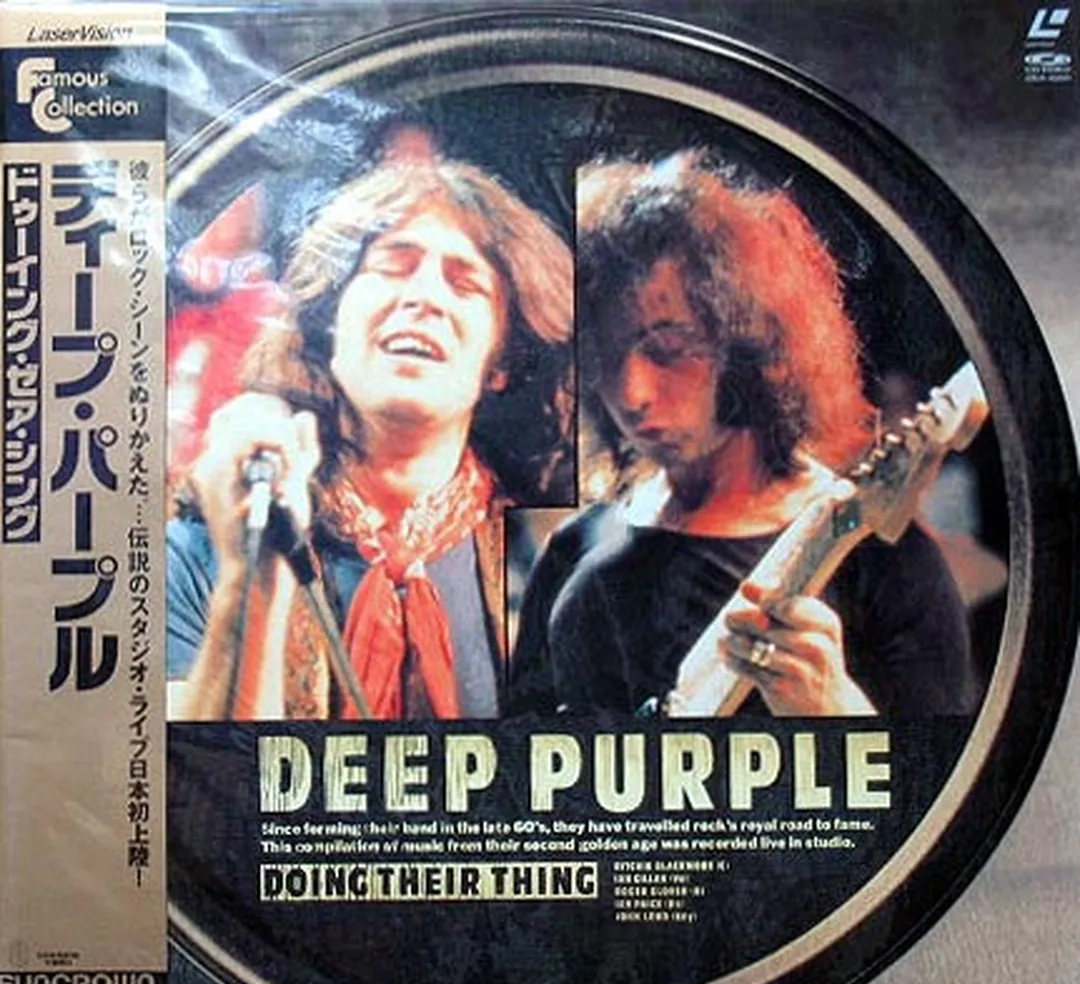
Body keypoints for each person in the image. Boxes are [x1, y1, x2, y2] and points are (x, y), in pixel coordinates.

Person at [510, 152, 974, 718]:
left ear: (748, 344)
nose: (632, 393)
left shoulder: (884, 562)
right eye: (605, 357)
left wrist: (835, 708)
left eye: (668, 348)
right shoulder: (576, 546)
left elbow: (953, 767)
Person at [167, 154, 573, 720]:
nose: (424, 297)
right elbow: (195, 773)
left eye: (465, 283)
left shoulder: (556, 562)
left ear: (502, 362)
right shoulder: (202, 549)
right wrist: (253, 580)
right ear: (331, 318)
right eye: (392, 266)